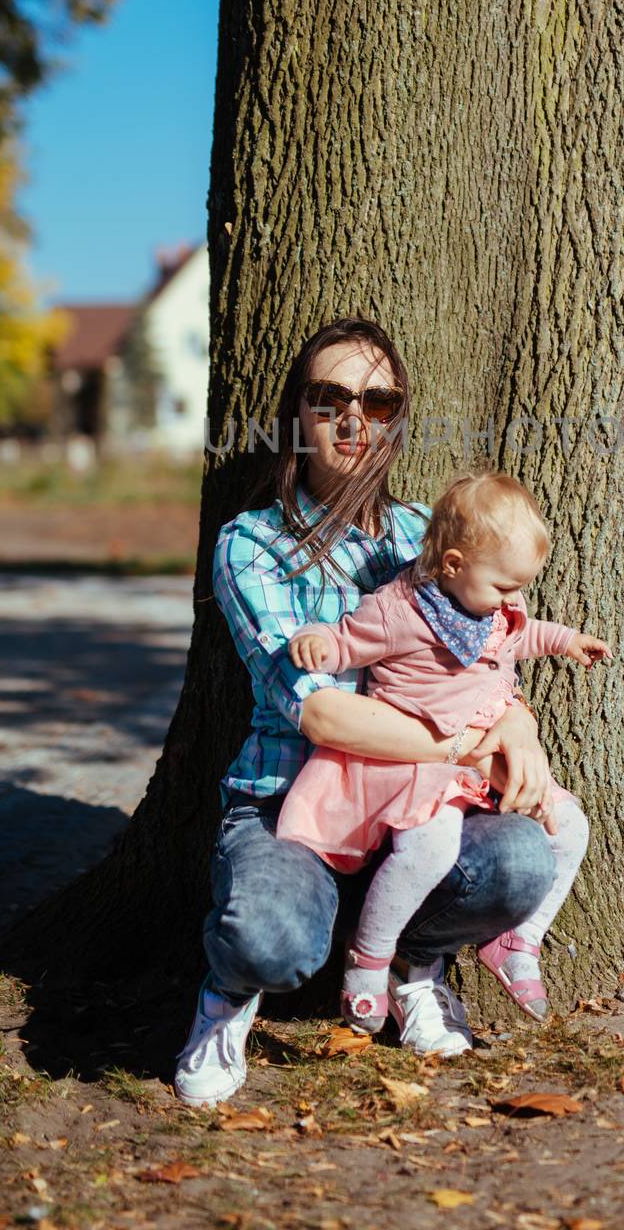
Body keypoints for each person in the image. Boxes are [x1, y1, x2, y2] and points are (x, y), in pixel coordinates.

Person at [174, 317, 566, 1107]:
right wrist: (465, 744)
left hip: (419, 814)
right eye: (331, 398)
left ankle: (413, 965)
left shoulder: (433, 536)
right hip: (296, 805)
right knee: (267, 939)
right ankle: (226, 1003)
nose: (356, 418)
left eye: (379, 401)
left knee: (527, 857)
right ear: (299, 415)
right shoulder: (252, 546)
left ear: (397, 418)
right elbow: (322, 717)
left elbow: (486, 660)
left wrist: (516, 724)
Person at [277, 470, 609, 1029]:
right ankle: (370, 960)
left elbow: (518, 635)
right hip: (420, 761)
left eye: (519, 588)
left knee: (570, 826)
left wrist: (565, 640)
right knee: (429, 849)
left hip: (480, 759)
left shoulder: (489, 610)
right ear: (452, 565)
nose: (514, 600)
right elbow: (347, 641)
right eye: (504, 587)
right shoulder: (398, 611)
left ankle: (518, 941)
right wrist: (318, 641)